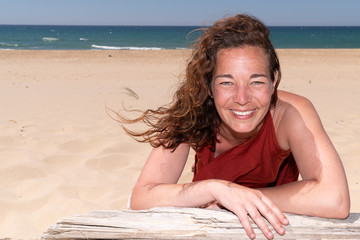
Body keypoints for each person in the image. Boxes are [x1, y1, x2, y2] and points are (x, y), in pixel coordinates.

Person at [118, 14, 350, 240]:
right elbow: (140, 198)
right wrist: (216, 190)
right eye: (227, 82)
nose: (242, 98)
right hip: (205, 230)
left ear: (274, 82)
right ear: (209, 86)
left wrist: (236, 199)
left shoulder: (291, 113)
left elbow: (335, 200)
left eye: (256, 82)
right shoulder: (192, 112)